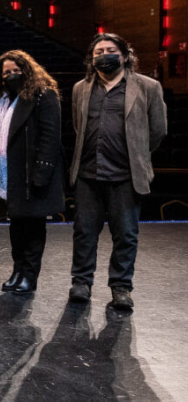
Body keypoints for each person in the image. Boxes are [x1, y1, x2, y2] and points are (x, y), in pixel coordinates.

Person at [68, 33, 167, 310]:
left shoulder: (148, 87)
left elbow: (158, 131)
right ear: (92, 58)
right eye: (99, 51)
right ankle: (81, 282)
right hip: (89, 173)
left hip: (126, 175)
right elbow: (79, 126)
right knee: (84, 232)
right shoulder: (81, 88)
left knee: (125, 234)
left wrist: (136, 154)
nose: (104, 55)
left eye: (111, 50)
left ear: (124, 55)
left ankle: (121, 287)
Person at [0, 50, 64, 295]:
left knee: (33, 228)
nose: (10, 76)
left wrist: (41, 174)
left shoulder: (44, 95)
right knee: (16, 227)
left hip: (32, 174)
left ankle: (30, 275)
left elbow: (51, 138)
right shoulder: (3, 100)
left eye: (15, 71)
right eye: (5, 72)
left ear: (27, 71)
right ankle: (17, 270)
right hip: (10, 175)